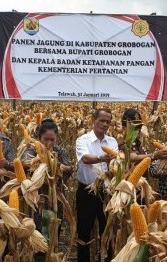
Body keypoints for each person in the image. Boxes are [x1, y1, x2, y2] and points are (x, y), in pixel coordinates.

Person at [21, 119, 72, 261]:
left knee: (54, 230)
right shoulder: (31, 150)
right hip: (37, 200)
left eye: (52, 139)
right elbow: (25, 164)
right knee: (38, 233)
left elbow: (70, 167)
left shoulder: (60, 151)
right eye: (45, 139)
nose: (49, 143)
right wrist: (39, 162)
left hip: (56, 198)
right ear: (39, 138)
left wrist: (59, 166)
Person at [75, 108, 118, 262]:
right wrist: (103, 158)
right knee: (84, 232)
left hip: (107, 193)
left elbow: (116, 164)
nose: (105, 124)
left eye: (108, 122)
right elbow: (85, 159)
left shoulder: (112, 141)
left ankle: (106, 258)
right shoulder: (82, 140)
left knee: (107, 231)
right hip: (87, 191)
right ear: (93, 120)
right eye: (102, 120)